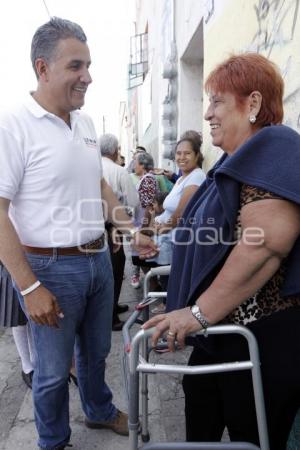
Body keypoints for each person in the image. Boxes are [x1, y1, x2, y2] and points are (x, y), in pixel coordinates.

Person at [0, 17, 156, 450]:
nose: (87, 76)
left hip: (98, 260)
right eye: (76, 66)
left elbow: (99, 185)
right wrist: (29, 285)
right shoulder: (12, 125)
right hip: (49, 267)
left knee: (97, 354)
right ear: (43, 68)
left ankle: (99, 411)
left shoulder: (84, 124)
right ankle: (52, 441)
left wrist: (129, 229)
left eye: (88, 65)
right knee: (51, 371)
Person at [143, 53, 300, 450]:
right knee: (201, 429)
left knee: (251, 437)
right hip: (221, 333)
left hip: (259, 339)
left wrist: (195, 313)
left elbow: (264, 244)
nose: (208, 113)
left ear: (252, 104)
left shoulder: (276, 145)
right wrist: (179, 304)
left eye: (217, 101)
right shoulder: (234, 161)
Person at [99, 133, 139, 331]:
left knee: (103, 270)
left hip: (94, 228)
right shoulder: (119, 171)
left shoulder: (93, 168)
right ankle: (111, 315)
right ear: (115, 151)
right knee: (115, 270)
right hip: (114, 227)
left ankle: (111, 307)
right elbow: (132, 203)